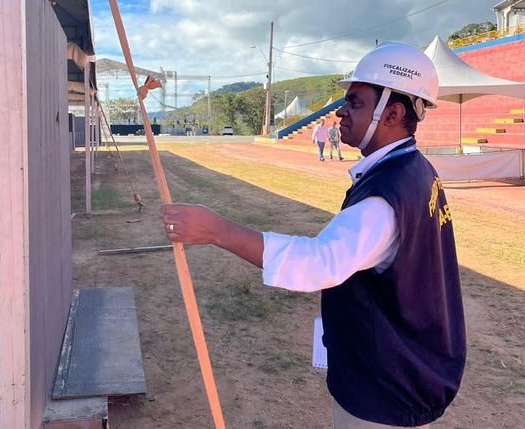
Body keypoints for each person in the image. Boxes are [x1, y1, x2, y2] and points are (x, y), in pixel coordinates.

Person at [161, 42, 466, 428]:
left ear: (392, 112)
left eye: (354, 102)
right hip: (402, 368)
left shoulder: (386, 195)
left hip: (386, 388)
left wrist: (217, 231)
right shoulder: (411, 170)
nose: (341, 110)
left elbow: (319, 262)